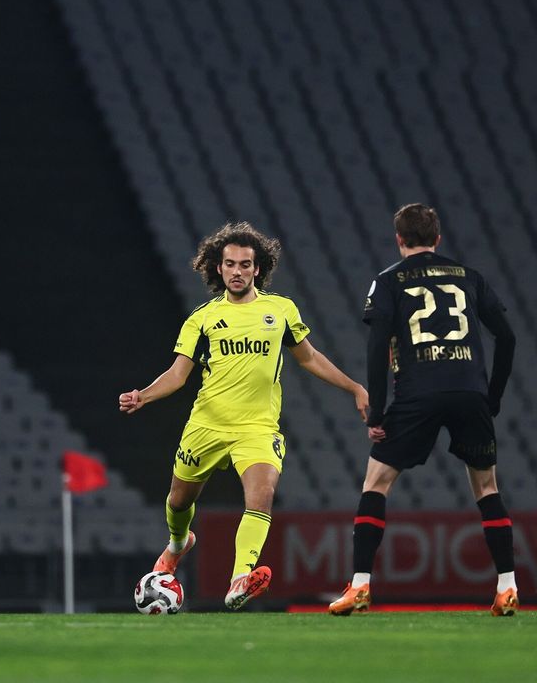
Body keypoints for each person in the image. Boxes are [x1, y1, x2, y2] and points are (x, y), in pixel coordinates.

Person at [118, 221, 368, 610]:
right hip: (207, 424)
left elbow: (309, 358)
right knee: (178, 501)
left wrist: (354, 387)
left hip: (257, 427)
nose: (237, 271)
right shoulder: (203, 318)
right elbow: (178, 374)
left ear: (257, 268)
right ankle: (179, 543)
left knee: (262, 494)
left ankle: (240, 579)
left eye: (245, 264)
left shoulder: (280, 310)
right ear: (218, 268)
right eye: (230, 264)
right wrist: (144, 396)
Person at [327, 203, 518, 616]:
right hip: (470, 392)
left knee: (376, 483)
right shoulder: (469, 276)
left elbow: (378, 348)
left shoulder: (387, 281)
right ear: (438, 238)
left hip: (418, 392)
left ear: (399, 239)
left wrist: (377, 413)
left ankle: (360, 585)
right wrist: (493, 397)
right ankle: (507, 586)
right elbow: (507, 338)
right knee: (487, 488)